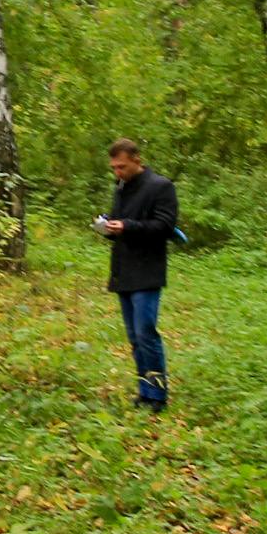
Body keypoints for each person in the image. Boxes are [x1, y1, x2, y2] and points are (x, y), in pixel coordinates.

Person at [95, 137, 179, 412]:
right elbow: (121, 220)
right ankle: (145, 392)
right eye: (114, 168)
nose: (117, 172)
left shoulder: (161, 186)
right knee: (133, 337)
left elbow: (165, 226)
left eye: (121, 166)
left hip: (147, 269)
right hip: (123, 270)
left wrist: (127, 226)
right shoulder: (121, 187)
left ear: (136, 160)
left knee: (146, 332)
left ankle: (159, 395)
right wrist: (108, 225)